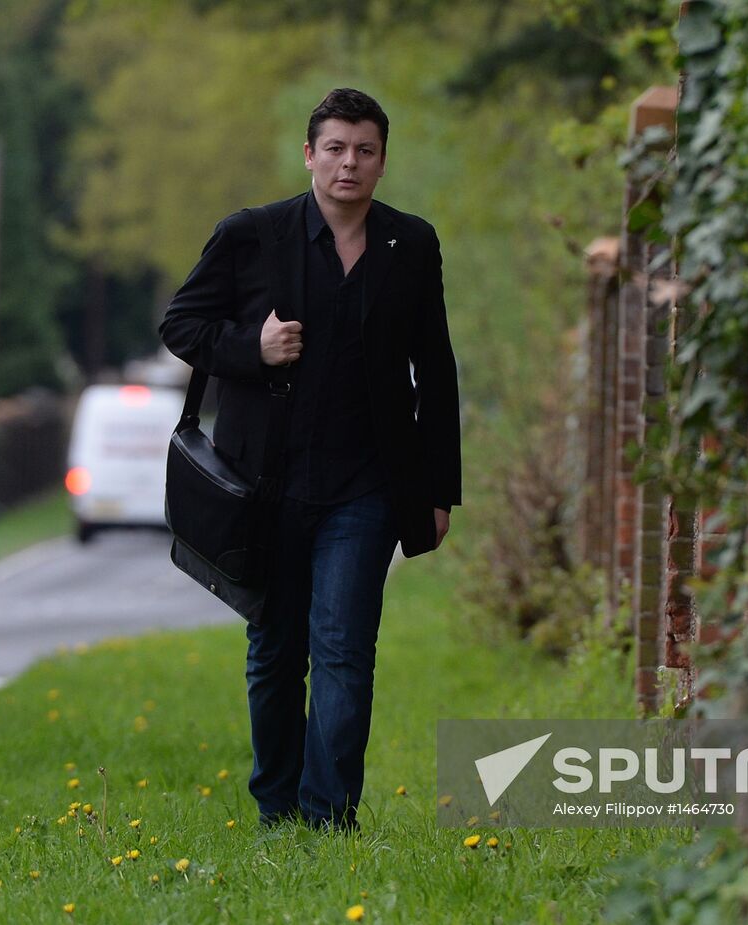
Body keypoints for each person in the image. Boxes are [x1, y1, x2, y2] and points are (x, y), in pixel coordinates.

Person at [159, 88, 461, 831]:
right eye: (335, 147)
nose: (348, 162)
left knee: (345, 649)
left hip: (368, 487)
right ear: (309, 154)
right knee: (274, 651)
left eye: (364, 149)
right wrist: (251, 350)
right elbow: (181, 323)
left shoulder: (412, 245)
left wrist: (439, 489)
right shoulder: (252, 237)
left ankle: (331, 817)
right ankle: (277, 809)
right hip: (266, 485)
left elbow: (438, 369)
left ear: (382, 161)